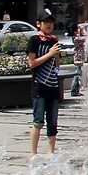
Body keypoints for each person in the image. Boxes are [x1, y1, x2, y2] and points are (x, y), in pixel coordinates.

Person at [27, 11, 63, 159]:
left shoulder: (54, 41)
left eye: (51, 22)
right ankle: (33, 154)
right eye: (46, 22)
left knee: (52, 122)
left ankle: (51, 152)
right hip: (39, 86)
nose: (49, 25)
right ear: (38, 24)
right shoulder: (34, 40)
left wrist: (56, 58)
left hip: (53, 86)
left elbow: (57, 68)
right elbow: (32, 63)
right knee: (38, 120)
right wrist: (49, 54)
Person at [70, 22, 88, 97]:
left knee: (78, 75)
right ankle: (74, 90)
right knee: (77, 76)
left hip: (79, 59)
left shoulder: (76, 38)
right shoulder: (76, 39)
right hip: (78, 59)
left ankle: (77, 90)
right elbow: (86, 37)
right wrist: (83, 29)